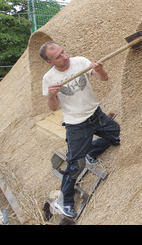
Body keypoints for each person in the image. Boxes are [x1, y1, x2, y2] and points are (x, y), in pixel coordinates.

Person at [40, 41, 120, 218]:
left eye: (63, 52)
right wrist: (52, 95)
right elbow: (53, 107)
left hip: (96, 114)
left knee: (115, 133)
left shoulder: (79, 62)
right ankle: (64, 201)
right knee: (76, 164)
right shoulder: (49, 78)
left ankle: (91, 151)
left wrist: (99, 70)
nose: (64, 57)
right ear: (49, 62)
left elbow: (104, 78)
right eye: (58, 57)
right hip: (76, 124)